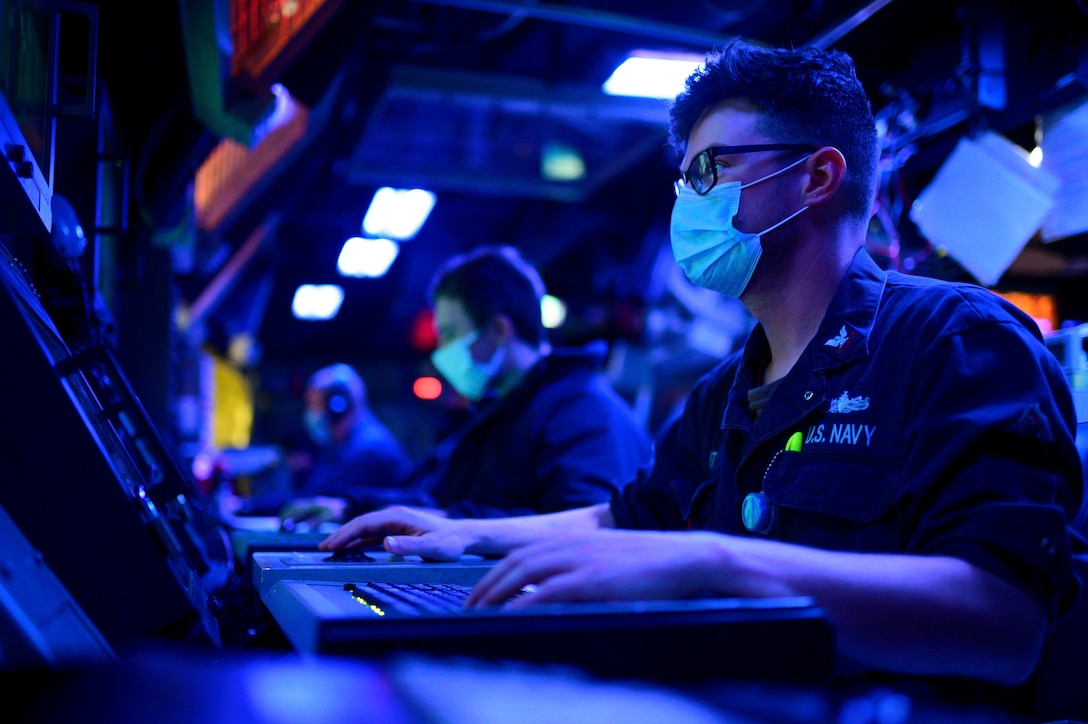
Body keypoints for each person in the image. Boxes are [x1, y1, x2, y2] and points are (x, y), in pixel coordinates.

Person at [319, 38, 1086, 709]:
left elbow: (1005, 623)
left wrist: (714, 561)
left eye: (712, 170)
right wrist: (464, 536)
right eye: (685, 180)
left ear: (817, 177)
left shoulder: (956, 341)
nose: (689, 201)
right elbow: (626, 520)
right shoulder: (723, 392)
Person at [284, 244, 654, 524]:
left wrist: (452, 528)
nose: (442, 351)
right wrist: (354, 506)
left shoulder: (580, 411)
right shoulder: (503, 412)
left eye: (449, 333)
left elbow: (584, 527)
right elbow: (443, 504)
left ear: (497, 330)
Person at [223, 363, 414, 524]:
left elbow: (313, 499)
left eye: (313, 405)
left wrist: (245, 506)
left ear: (337, 406)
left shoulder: (368, 451)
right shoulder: (348, 444)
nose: (310, 414)